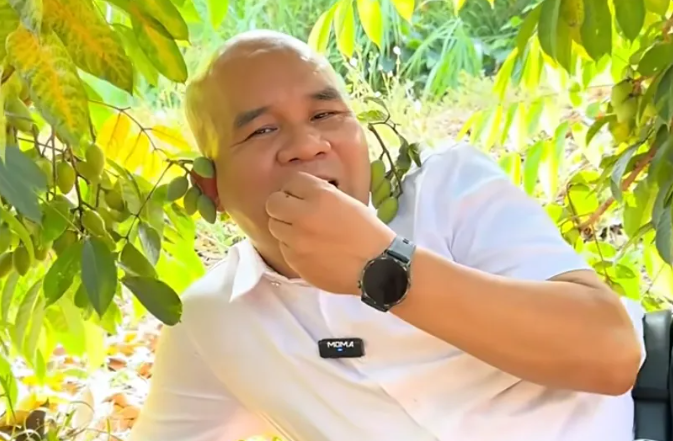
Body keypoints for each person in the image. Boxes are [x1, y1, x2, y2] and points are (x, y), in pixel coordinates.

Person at [128, 29, 646, 441]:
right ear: (211, 186)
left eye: (326, 114)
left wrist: (381, 266)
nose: (307, 144)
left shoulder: (447, 190)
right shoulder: (213, 320)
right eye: (262, 130)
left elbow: (610, 355)